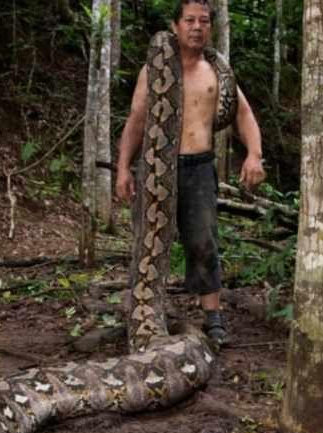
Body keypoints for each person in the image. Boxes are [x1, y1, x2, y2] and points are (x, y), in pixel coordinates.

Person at [115, 0, 266, 346]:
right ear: (175, 26)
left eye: (204, 21)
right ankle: (147, 314)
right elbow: (137, 121)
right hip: (156, 167)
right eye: (189, 20)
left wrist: (254, 155)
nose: (197, 27)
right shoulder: (152, 71)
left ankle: (212, 316)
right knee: (149, 242)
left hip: (198, 168)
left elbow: (243, 115)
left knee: (203, 242)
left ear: (210, 26)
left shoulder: (216, 72)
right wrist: (124, 167)